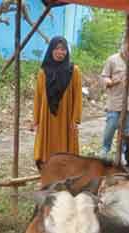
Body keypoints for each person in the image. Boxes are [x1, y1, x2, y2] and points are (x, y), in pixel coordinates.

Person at [32, 36, 82, 169]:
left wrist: (75, 119)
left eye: (63, 49)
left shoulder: (74, 71)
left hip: (66, 116)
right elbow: (38, 97)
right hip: (47, 117)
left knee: (67, 146)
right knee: (47, 146)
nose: (60, 52)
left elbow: (78, 96)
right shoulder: (43, 72)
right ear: (51, 50)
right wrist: (36, 120)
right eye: (57, 49)